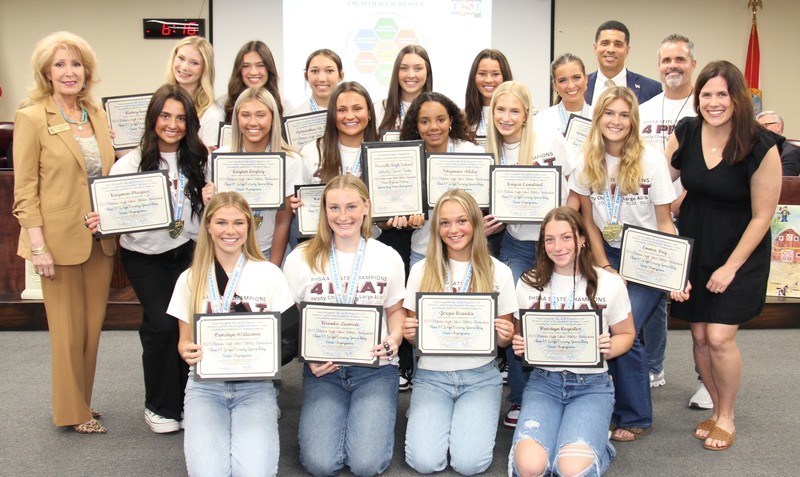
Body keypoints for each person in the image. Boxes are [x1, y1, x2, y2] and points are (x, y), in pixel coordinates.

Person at [665, 60, 782, 451]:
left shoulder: (760, 144)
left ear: (738, 98)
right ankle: (715, 410)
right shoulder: (686, 131)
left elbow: (764, 216)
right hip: (696, 242)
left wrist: (731, 267)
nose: (714, 102)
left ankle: (727, 415)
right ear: (697, 99)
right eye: (706, 94)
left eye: (722, 94)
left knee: (718, 336)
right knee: (698, 334)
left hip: (740, 248)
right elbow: (654, 182)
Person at [12, 31, 116, 434]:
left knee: (91, 327)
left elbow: (105, 178)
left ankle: (82, 402)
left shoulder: (96, 115)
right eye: (60, 64)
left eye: (76, 64)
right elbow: (24, 190)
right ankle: (71, 411)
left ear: (87, 71)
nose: (69, 72)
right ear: (46, 72)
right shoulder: (32, 116)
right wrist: (37, 246)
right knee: (66, 332)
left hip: (98, 240)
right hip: (53, 242)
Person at [570, 85, 677, 442]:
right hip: (607, 255)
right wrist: (605, 265)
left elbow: (664, 222)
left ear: (633, 120)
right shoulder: (587, 159)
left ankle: (635, 416)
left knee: (625, 331)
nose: (616, 121)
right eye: (609, 113)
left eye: (623, 114)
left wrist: (676, 271)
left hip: (648, 257)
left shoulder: (652, 159)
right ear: (598, 117)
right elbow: (588, 220)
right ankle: (608, 404)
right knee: (606, 325)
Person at [283, 175, 406, 476]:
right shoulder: (300, 259)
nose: (343, 216)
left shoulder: (387, 257)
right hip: (324, 370)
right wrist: (310, 357)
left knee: (366, 465)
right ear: (324, 211)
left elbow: (396, 311)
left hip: (376, 369)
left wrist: (395, 338)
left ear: (366, 207)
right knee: (319, 465)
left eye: (351, 206)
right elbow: (293, 322)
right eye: (334, 208)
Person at [167, 192, 295, 477]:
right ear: (209, 227)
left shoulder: (269, 274)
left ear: (249, 227)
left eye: (238, 223)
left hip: (256, 387)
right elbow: (183, 340)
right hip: (205, 388)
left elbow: (289, 338)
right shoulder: (189, 278)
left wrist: (266, 355)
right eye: (221, 222)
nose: (230, 231)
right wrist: (187, 349)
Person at [109, 84, 211, 433]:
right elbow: (112, 214)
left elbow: (211, 211)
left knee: (187, 323)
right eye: (165, 116)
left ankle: (189, 401)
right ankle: (159, 405)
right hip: (144, 256)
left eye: (181, 118)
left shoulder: (201, 158)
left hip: (189, 251)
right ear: (153, 118)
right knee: (161, 324)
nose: (173, 124)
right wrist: (102, 219)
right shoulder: (129, 164)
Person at [509, 206, 635, 477]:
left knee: (569, 470)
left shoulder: (609, 283)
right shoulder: (528, 283)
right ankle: (579, 438)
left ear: (582, 239)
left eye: (566, 237)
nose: (558, 246)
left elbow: (627, 334)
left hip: (591, 387)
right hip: (544, 384)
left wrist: (612, 347)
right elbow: (521, 335)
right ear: (543, 244)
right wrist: (520, 344)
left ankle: (598, 444)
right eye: (550, 239)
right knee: (531, 468)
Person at [402, 189, 516, 475]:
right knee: (423, 462)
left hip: (479, 377)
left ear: (476, 224)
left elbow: (506, 337)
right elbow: (413, 334)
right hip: (432, 377)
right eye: (445, 222)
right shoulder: (421, 270)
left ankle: (457, 427)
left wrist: (504, 335)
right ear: (436, 228)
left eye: (462, 221)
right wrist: (409, 332)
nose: (453, 230)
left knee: (469, 465)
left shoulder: (498, 271)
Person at [485, 80, 574, 427]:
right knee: (515, 315)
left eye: (513, 111)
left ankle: (567, 386)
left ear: (526, 114)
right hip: (518, 244)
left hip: (558, 244)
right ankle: (521, 398)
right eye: (500, 110)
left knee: (561, 310)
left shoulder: (549, 138)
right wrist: (487, 222)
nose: (506, 118)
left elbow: (573, 182)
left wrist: (567, 230)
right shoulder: (489, 152)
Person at [211, 87, 301, 264]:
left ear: (273, 118)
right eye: (245, 115)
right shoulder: (219, 159)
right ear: (236, 118)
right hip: (227, 252)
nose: (253, 122)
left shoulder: (291, 161)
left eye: (260, 115)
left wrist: (273, 267)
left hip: (268, 251)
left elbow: (283, 221)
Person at [399, 91, 485, 268]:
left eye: (441, 119)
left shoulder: (472, 154)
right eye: (424, 121)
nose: (433, 127)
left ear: (451, 121)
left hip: (467, 253)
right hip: (424, 251)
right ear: (416, 125)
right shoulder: (406, 160)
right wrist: (409, 222)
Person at [298, 81, 378, 184]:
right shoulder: (310, 151)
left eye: (357, 109)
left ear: (369, 113)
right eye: (341, 110)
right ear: (332, 114)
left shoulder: (383, 152)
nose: (349, 116)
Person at [165, 36, 225, 149]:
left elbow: (206, 164)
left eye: (194, 63)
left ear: (205, 69)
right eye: (181, 58)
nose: (184, 67)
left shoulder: (212, 115)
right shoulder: (160, 103)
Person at [585, 20, 662, 107]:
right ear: (595, 48)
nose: (611, 49)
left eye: (618, 44)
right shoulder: (579, 86)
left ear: (627, 50)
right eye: (605, 43)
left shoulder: (652, 89)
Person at [222, 41, 286, 122]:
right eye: (246, 66)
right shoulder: (223, 105)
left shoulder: (285, 106)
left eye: (260, 65)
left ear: (269, 69)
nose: (253, 72)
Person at [376, 45, 433, 132]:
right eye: (404, 68)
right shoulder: (378, 108)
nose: (411, 75)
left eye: (418, 68)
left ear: (427, 72)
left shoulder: (439, 109)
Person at [534, 53, 593, 135]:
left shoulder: (599, 117)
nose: (571, 85)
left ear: (586, 79)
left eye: (576, 78)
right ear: (555, 85)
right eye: (563, 80)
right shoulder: (541, 120)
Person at [464, 49, 513, 136]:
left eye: (495, 74)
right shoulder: (463, 118)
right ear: (474, 77)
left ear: (505, 77)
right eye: (482, 74)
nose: (488, 80)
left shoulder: (522, 114)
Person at [287, 49, 344, 116]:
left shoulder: (351, 115)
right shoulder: (295, 118)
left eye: (329, 71)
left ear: (341, 76)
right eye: (315, 71)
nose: (322, 79)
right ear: (306, 76)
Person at [756, 110, 800, 176]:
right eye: (758, 128)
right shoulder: (755, 151)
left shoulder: (790, 152)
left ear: (778, 127)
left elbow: (785, 182)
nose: (760, 131)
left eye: (765, 126)